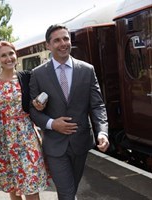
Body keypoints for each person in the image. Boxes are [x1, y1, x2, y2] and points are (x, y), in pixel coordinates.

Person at [29, 24, 110, 200]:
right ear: (48, 46)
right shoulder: (38, 74)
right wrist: (52, 124)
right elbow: (33, 111)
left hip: (81, 143)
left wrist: (102, 132)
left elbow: (97, 105)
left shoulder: (87, 70)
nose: (63, 43)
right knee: (67, 193)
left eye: (66, 38)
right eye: (57, 40)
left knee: (70, 191)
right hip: (55, 146)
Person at [0, 41, 48, 200]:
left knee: (31, 183)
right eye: (3, 55)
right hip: (3, 139)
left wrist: (39, 105)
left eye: (11, 53)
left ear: (16, 54)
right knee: (13, 185)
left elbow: (35, 102)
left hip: (27, 136)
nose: (8, 58)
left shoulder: (27, 77)